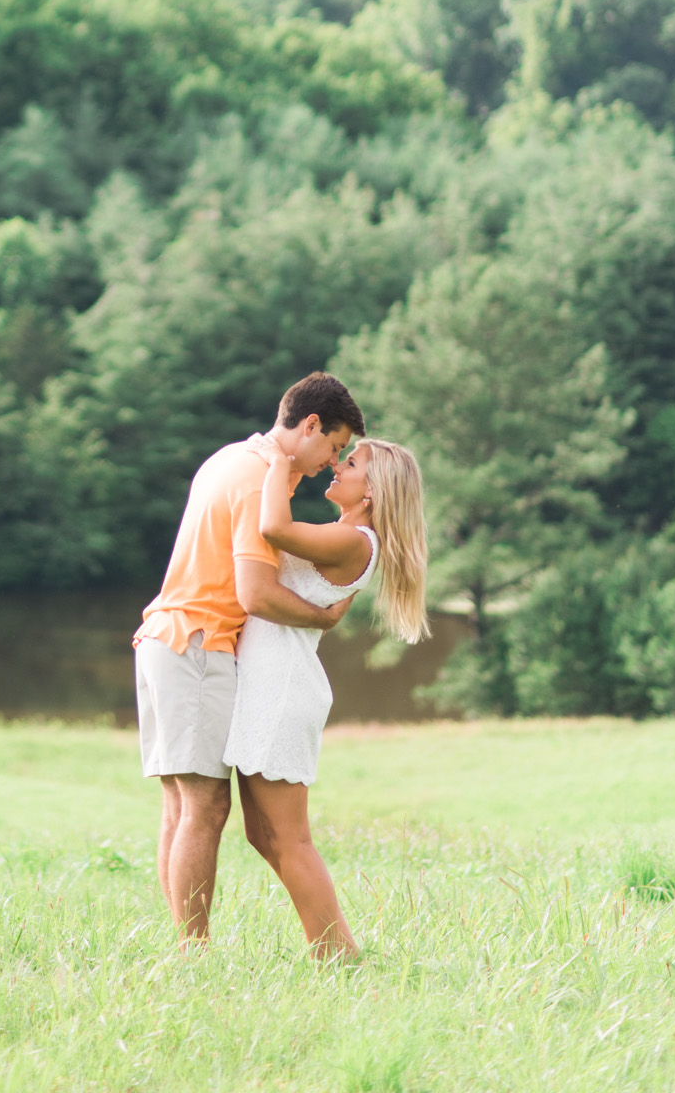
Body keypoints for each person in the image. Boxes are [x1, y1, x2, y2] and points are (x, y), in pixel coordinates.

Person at [133, 372, 366, 941]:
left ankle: (184, 949)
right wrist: (323, 618)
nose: (327, 464)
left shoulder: (229, 457)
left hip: (166, 636)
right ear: (310, 425)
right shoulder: (262, 478)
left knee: (181, 806)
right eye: (333, 447)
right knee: (206, 809)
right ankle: (193, 952)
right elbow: (255, 594)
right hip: (199, 642)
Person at [225, 434, 430, 958]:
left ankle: (338, 952)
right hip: (270, 682)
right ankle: (333, 947)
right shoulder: (345, 535)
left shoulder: (355, 540)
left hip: (282, 687)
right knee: (262, 834)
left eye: (352, 463)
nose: (338, 465)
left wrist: (275, 460)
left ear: (372, 491)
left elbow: (272, 527)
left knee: (288, 838)